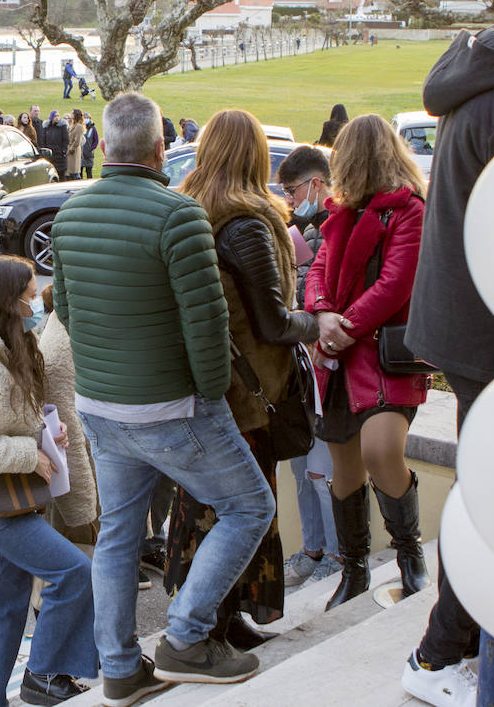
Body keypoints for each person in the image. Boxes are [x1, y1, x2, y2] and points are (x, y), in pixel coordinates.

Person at [51, 91, 275, 698]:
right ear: (158, 149)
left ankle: (120, 670)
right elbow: (208, 327)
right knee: (251, 507)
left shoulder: (70, 216)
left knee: (119, 536)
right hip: (173, 407)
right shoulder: (178, 216)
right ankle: (185, 638)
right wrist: (207, 397)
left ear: (102, 146)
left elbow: (66, 313)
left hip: (101, 407)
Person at [399, 27, 494, 704]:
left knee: (492, 489)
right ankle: (437, 657)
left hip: (468, 327)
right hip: (487, 333)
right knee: (493, 497)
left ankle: (487, 643)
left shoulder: (485, 93)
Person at [167, 109, 320, 649]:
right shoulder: (248, 222)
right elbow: (274, 322)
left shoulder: (189, 211)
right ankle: (212, 621)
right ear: (256, 155)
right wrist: (319, 323)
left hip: (202, 387)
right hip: (247, 393)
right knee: (241, 510)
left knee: (205, 505)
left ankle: (217, 615)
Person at [0, 256, 98, 707]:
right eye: (30, 292)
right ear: (10, 300)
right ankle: (44, 675)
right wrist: (30, 453)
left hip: (5, 490)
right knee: (74, 573)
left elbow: (15, 416)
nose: (37, 298)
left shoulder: (14, 340)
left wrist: (46, 435)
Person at [304, 113, 428, 611]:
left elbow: (396, 283)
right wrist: (322, 313)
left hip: (381, 356)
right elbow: (317, 269)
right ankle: (353, 569)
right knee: (345, 469)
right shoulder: (341, 212)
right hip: (338, 355)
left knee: (380, 453)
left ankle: (409, 555)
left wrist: (342, 327)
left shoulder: (408, 210)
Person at [274, 145, 342, 588]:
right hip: (303, 372)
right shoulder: (302, 227)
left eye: (293, 191)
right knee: (302, 469)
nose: (291, 201)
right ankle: (313, 549)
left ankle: (336, 556)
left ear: (315, 183)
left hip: (328, 370)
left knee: (321, 472)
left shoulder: (335, 225)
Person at [40, 110, 69, 177]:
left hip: (60, 155)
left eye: (58, 116)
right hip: (50, 154)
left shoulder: (62, 127)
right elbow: (43, 140)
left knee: (61, 174)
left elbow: (66, 140)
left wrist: (63, 151)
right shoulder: (46, 127)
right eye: (55, 116)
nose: (57, 118)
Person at [66, 109, 84, 180]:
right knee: (69, 172)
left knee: (73, 172)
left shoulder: (79, 126)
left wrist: (71, 149)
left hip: (74, 152)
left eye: (72, 114)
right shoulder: (72, 125)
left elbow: (77, 141)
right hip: (70, 149)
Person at [80, 114, 98, 179]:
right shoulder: (80, 127)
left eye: (87, 117)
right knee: (80, 172)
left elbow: (96, 140)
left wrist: (91, 149)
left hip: (89, 154)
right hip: (81, 154)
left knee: (89, 172)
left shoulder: (93, 129)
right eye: (85, 117)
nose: (86, 119)